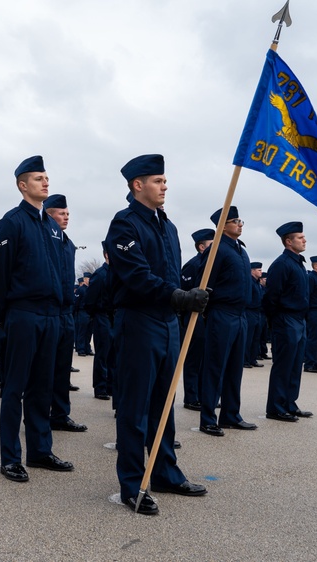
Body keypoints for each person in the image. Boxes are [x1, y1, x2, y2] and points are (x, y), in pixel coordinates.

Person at [105, 154, 209, 515]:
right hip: (139, 321)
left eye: (165, 181)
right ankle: (132, 484)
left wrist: (187, 295)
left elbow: (170, 272)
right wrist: (177, 296)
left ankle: (164, 471)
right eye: (158, 180)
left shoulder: (168, 225)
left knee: (164, 405)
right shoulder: (124, 225)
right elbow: (136, 276)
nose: (165, 186)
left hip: (168, 322)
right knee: (135, 407)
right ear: (138, 185)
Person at [0, 155, 74, 483]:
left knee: (42, 387)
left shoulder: (52, 227)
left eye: (47, 177)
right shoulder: (11, 222)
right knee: (15, 388)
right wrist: (0, 318)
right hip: (22, 314)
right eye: (39, 178)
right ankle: (10, 457)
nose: (46, 182)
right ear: (23, 185)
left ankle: (40, 450)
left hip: (51, 316)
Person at [197, 206, 256, 436]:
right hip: (222, 313)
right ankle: (208, 418)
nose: (240, 224)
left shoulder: (241, 250)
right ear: (222, 226)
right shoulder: (216, 250)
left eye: (241, 220)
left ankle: (231, 414)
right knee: (215, 367)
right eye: (235, 221)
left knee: (234, 368)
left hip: (240, 314)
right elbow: (205, 282)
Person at [43, 194, 88, 433]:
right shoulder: (44, 238)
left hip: (66, 312)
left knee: (62, 368)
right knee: (44, 369)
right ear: (49, 214)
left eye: (68, 213)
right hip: (48, 311)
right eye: (62, 213)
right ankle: (39, 416)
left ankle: (60, 414)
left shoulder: (67, 242)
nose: (66, 217)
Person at [263, 222, 311, 421]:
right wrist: (277, 320)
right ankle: (276, 407)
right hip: (286, 318)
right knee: (283, 364)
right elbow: (271, 296)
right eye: (300, 237)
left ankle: (290, 403)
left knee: (295, 364)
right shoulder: (282, 264)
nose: (304, 240)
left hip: (299, 319)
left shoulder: (298, 263)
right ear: (288, 241)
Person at [179, 228, 214, 410]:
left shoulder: (213, 263)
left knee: (206, 358)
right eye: (211, 244)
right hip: (194, 316)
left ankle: (203, 395)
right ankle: (191, 397)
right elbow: (184, 291)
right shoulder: (193, 265)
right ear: (201, 247)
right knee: (194, 358)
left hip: (209, 316)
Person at [85, 245, 114, 401]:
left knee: (113, 355)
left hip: (113, 317)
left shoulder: (116, 273)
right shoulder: (100, 274)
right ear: (107, 254)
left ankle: (110, 385)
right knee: (102, 353)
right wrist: (96, 315)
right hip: (102, 316)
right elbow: (89, 299)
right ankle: (100, 387)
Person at [244, 262, 264, 368]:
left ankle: (252, 359)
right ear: (252, 271)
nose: (261, 272)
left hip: (258, 312)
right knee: (249, 337)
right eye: (258, 270)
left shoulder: (257, 283)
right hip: (250, 311)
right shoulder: (249, 282)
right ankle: (245, 360)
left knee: (256, 337)